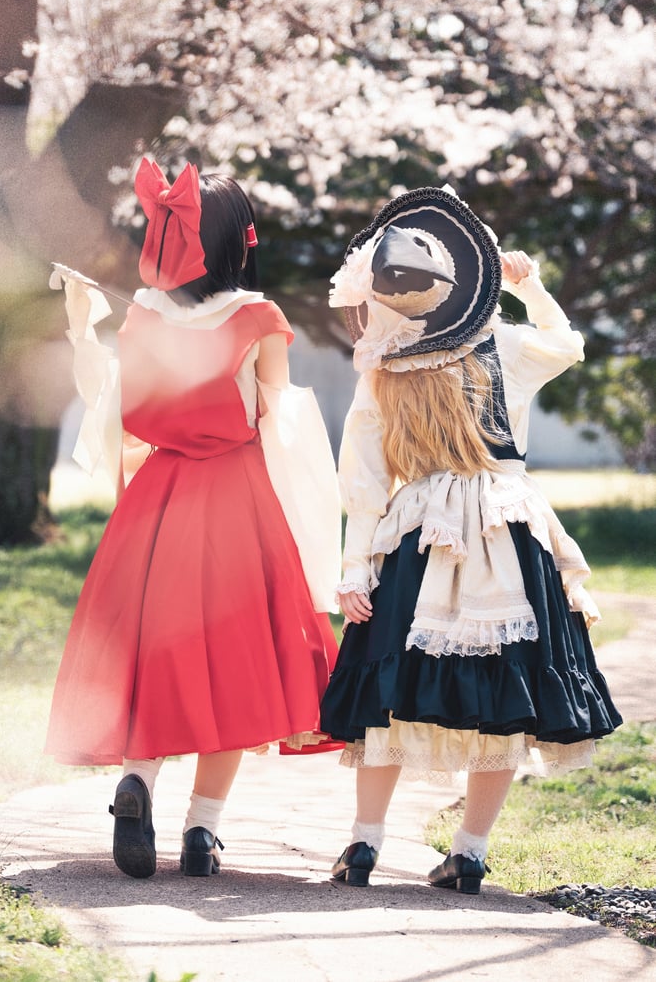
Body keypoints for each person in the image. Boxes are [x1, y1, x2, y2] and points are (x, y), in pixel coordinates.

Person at [45, 157, 342, 880]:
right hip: (236, 498)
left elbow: (128, 410)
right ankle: (202, 831)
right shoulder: (258, 318)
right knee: (239, 662)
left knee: (156, 650)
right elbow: (279, 420)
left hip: (157, 498)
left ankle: (137, 780)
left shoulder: (142, 315)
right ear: (237, 241)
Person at [320, 186, 622, 894]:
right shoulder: (504, 344)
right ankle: (471, 853)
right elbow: (568, 345)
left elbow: (363, 481)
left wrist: (357, 568)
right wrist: (530, 286)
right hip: (507, 526)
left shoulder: (382, 364)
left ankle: (363, 844)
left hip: (417, 530)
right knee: (506, 693)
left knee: (392, 687)